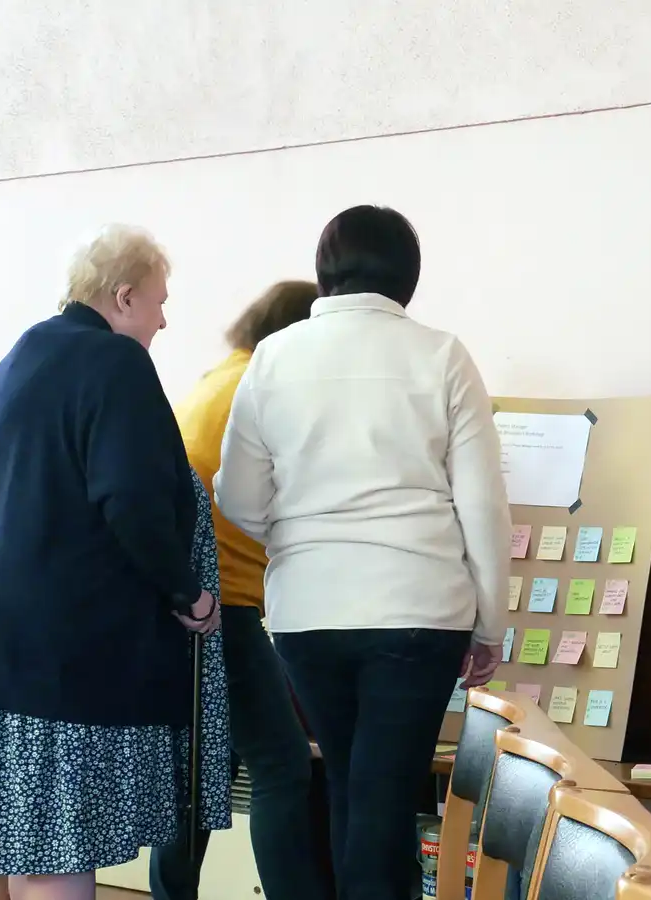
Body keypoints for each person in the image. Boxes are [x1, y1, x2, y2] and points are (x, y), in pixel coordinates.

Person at [0, 225, 232, 900]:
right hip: (62, 659)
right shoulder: (116, 364)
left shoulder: (23, 353)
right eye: (158, 301)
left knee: (30, 850)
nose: (164, 318)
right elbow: (135, 502)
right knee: (57, 855)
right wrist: (189, 597)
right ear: (122, 297)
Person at [214, 206, 512, 900]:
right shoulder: (442, 355)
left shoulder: (273, 357)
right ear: (408, 276)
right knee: (381, 793)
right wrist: (491, 624)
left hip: (307, 614)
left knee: (351, 782)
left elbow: (238, 497)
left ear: (326, 273)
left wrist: (300, 535)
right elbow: (483, 505)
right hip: (419, 610)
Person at [149, 281, 327, 900]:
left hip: (194, 597)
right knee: (280, 762)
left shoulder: (219, 378)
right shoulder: (261, 388)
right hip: (224, 602)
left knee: (202, 771)